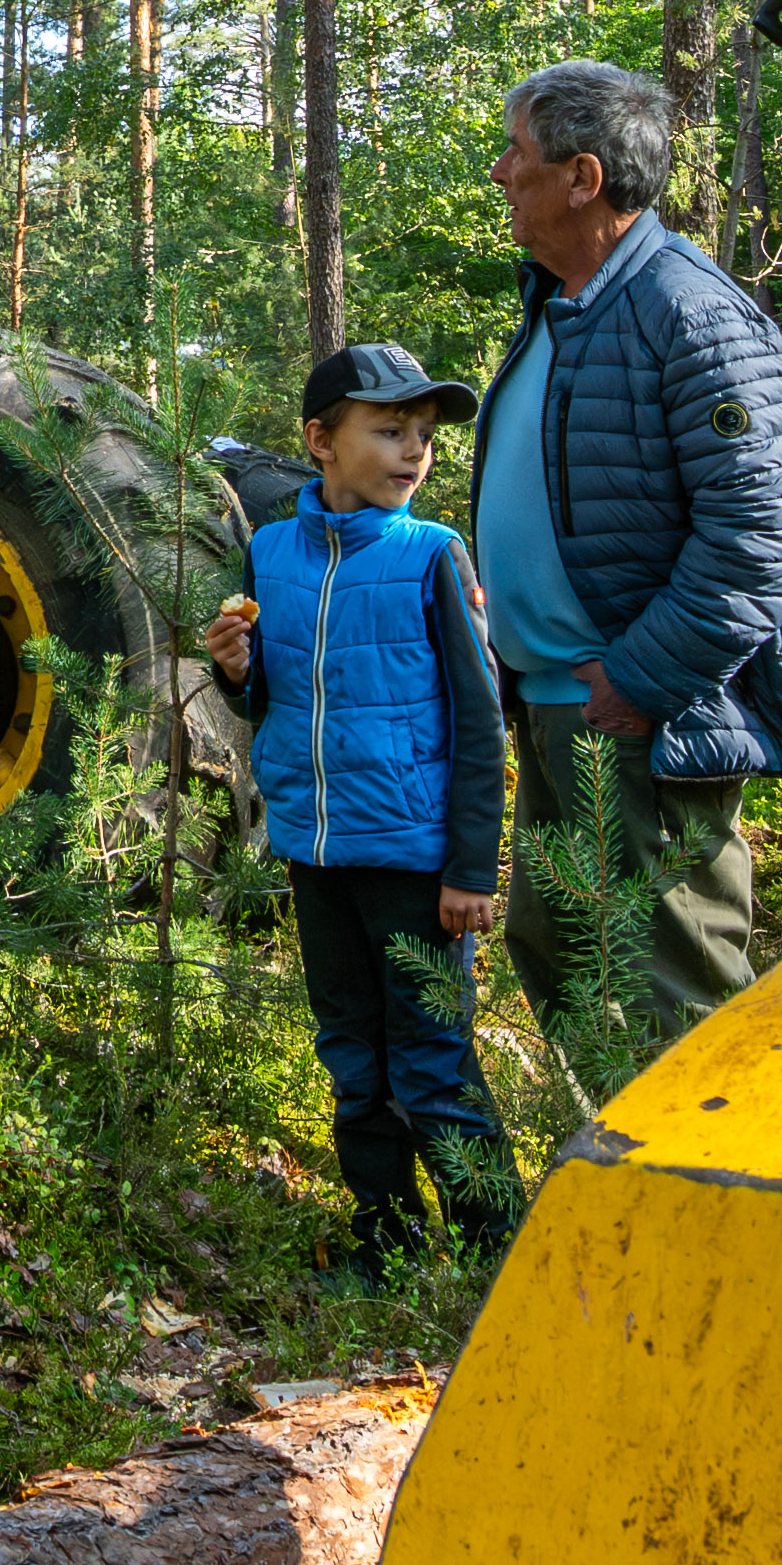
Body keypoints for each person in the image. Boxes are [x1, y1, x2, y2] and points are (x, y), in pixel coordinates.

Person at [473, 61, 782, 1067]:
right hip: (558, 704)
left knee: (674, 989)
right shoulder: (562, 301)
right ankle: (602, 1195)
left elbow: (762, 528)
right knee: (557, 956)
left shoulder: (687, 309)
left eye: (519, 148)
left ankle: (714, 1205)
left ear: (582, 176)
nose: (503, 168)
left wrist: (644, 677)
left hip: (643, 711)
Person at [199, 341, 515, 1270]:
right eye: (389, 430)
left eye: (423, 436)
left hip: (415, 864)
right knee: (354, 1060)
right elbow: (269, 702)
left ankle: (497, 1252)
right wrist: (237, 670)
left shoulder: (431, 557)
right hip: (315, 858)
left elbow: (479, 721)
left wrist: (468, 871)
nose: (414, 452)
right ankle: (388, 1246)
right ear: (320, 441)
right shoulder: (270, 552)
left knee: (432, 1064)